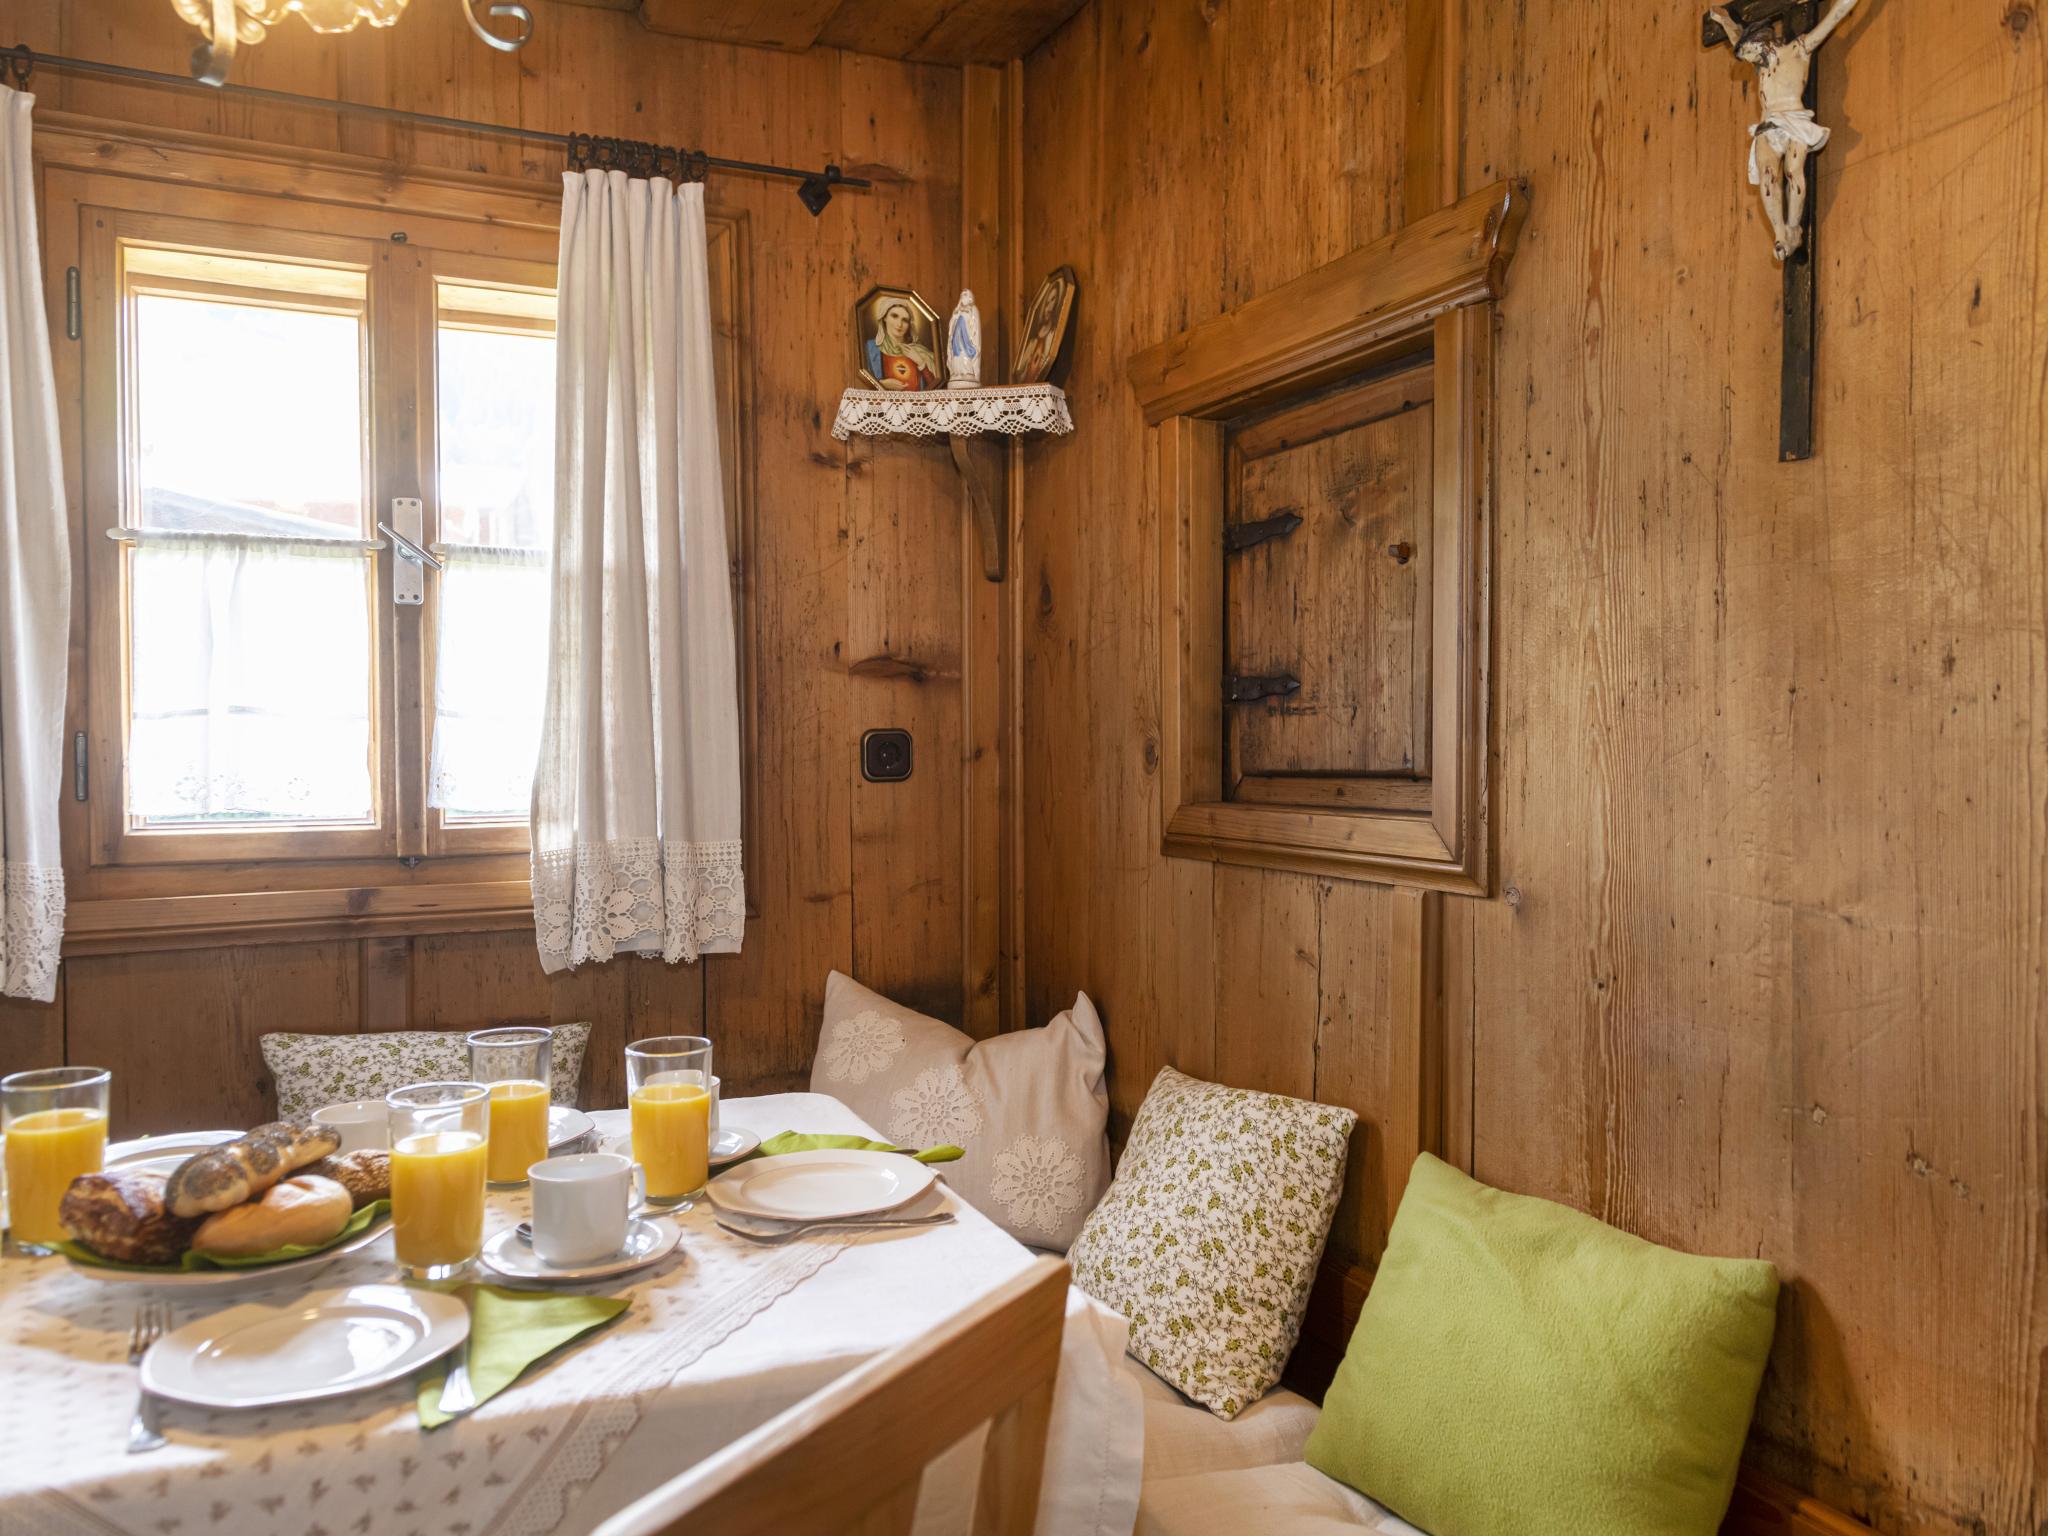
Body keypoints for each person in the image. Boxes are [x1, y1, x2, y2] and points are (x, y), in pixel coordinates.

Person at [1707, 0, 1862, 261]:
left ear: (1763, 43)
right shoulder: (1762, 64)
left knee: (1792, 172)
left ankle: (1793, 227)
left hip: (1793, 122)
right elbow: (1738, 40)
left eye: (1749, 52)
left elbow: (1835, 15)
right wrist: (1725, 20)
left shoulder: (1798, 50)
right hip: (1768, 128)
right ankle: (1781, 233)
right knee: (1768, 178)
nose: (1747, 58)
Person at [865, 301, 940, 391]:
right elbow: (865, 384)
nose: (899, 324)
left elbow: (935, 389)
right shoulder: (871, 349)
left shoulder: (919, 351)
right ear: (884, 317)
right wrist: (882, 384)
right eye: (894, 316)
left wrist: (921, 363)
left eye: (905, 320)